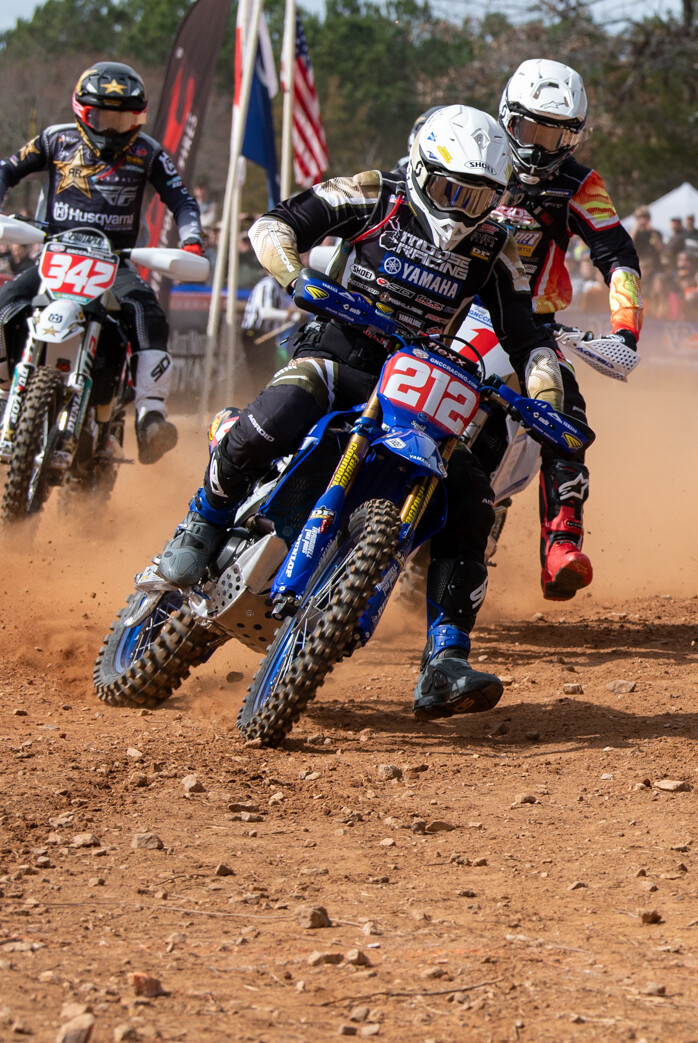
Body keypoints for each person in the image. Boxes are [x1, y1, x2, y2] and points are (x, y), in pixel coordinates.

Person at [150, 104, 564, 721]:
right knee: (284, 409)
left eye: (479, 199)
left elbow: (529, 337)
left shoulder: (493, 249)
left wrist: (546, 399)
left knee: (473, 497)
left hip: (420, 379)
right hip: (341, 347)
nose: (462, 210)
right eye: (451, 190)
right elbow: (274, 224)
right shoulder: (375, 195)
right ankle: (203, 523)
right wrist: (295, 277)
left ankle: (445, 658)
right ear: (423, 173)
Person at [0, 61, 204, 464]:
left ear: (138, 117)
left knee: (148, 315)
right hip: (56, 253)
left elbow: (181, 199)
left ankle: (150, 417)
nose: (111, 128)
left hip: (116, 260)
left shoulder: (148, 152)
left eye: (122, 118)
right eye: (102, 117)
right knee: (6, 300)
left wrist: (192, 239)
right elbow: (7, 170)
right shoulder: (54, 140)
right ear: (82, 111)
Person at [491, 58, 642, 600]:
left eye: (557, 133)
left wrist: (625, 331)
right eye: (531, 128)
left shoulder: (581, 183)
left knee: (565, 413)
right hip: (442, 308)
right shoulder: (469, 151)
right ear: (507, 118)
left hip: (531, 326)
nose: (540, 145)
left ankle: (561, 542)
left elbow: (618, 256)